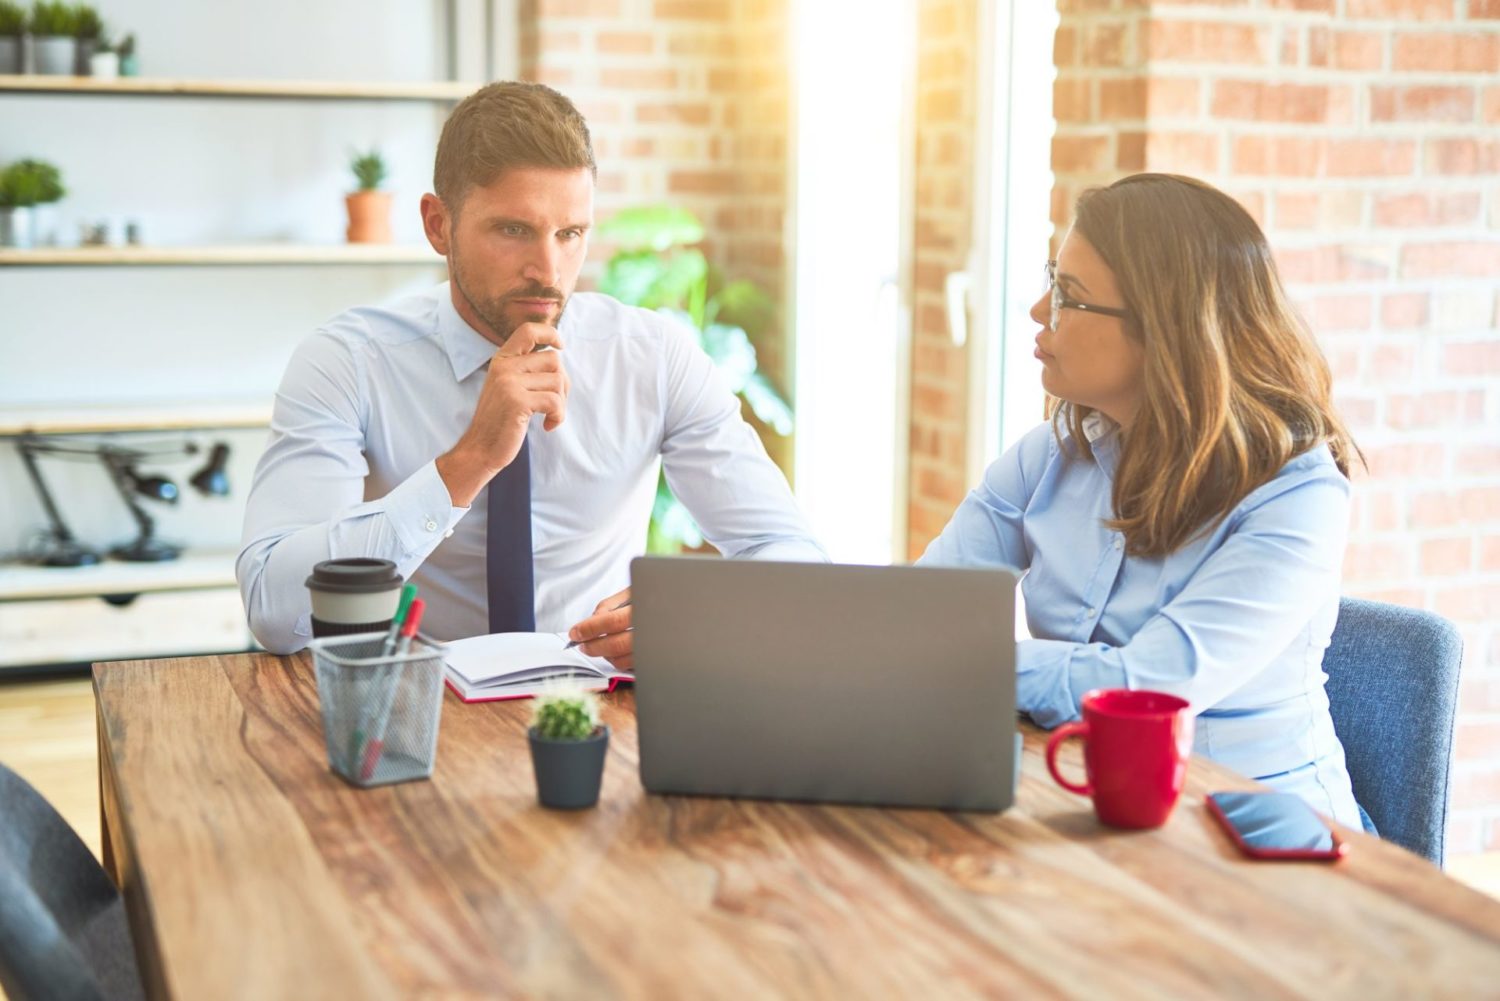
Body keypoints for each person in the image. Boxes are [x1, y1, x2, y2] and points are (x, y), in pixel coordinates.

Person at [237, 82, 823, 663]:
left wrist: (696, 615)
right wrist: (468, 462)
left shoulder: (653, 356)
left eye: (570, 234)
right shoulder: (349, 361)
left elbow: (789, 552)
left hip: (594, 710)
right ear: (438, 224)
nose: (548, 271)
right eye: (514, 230)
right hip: (414, 711)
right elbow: (273, 609)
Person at [919, 173, 1365, 829]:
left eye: (1069, 295)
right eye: (1051, 280)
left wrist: (971, 663)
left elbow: (1147, 689)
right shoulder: (1048, 456)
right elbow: (923, 615)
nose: (1040, 310)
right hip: (1094, 802)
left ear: (1166, 328)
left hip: (1263, 827)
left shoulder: (1297, 496)